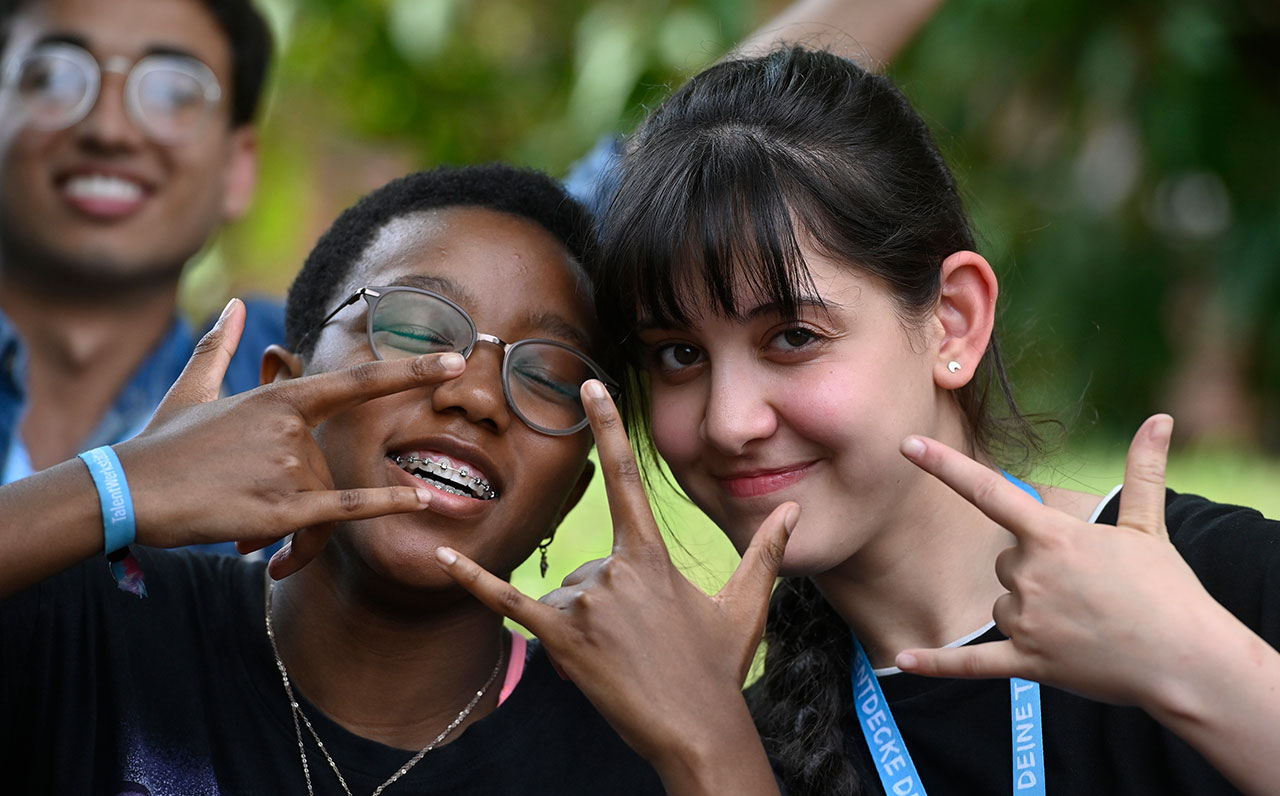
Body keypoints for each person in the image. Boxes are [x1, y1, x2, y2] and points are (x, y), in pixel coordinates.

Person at [438, 48, 1280, 796]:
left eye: (793, 338)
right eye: (678, 355)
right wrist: (706, 746)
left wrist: (1194, 668)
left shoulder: (1226, 589)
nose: (729, 422)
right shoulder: (746, 740)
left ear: (953, 322)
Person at [0, 164, 671, 794]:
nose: (476, 396)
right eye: (417, 330)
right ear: (277, 394)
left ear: (568, 498)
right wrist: (115, 486)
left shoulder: (633, 762)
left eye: (546, 377)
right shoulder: (87, 622)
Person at [0, 0, 279, 495]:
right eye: (53, 78)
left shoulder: (291, 386)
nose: (109, 130)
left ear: (237, 169)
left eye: (174, 92)